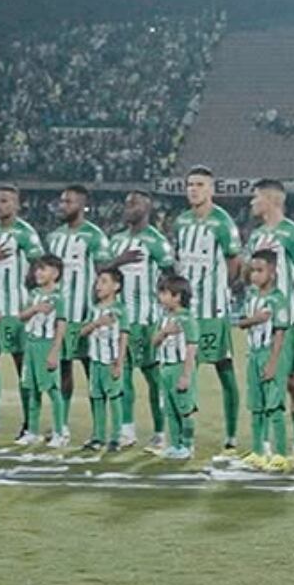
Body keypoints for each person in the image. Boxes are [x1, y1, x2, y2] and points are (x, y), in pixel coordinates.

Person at [173, 167, 243, 457]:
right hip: (187, 312)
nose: (193, 189)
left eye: (200, 184)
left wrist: (219, 290)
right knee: (186, 370)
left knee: (224, 369)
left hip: (212, 311)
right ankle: (185, 438)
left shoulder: (223, 223)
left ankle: (231, 435)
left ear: (211, 189)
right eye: (190, 184)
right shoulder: (182, 222)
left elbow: (235, 263)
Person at [245, 178, 294, 467]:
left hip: (286, 323)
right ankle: (262, 450)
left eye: (255, 197)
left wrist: (288, 308)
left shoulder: (291, 233)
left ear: (271, 200)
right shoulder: (255, 237)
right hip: (259, 327)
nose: (252, 203)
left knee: (291, 382)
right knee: (262, 383)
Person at [106, 190, 174, 453]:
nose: (129, 206)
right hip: (120, 323)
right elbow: (103, 273)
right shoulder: (116, 241)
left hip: (147, 322)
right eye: (126, 202)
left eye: (135, 202)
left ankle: (160, 433)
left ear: (148, 207)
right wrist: (118, 262)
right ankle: (126, 431)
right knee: (122, 378)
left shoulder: (156, 242)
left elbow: (172, 278)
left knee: (154, 379)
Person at [0, 184, 43, 441]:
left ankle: (29, 421)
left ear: (16, 205)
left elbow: (39, 266)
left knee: (22, 366)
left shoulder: (26, 233)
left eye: (4, 201)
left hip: (17, 311)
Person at [43, 185, 110, 436]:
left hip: (85, 316)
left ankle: (99, 429)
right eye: (62, 201)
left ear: (82, 205)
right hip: (61, 317)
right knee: (62, 371)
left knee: (93, 373)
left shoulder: (95, 237)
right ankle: (62, 424)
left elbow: (105, 275)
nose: (63, 206)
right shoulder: (54, 237)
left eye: (69, 202)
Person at [236, 250, 292, 472]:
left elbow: (280, 332)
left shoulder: (278, 299)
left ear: (272, 272)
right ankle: (259, 452)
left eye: (260, 271)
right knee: (256, 407)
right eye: (252, 271)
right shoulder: (251, 296)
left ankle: (280, 454)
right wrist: (255, 319)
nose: (254, 276)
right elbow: (241, 323)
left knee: (274, 406)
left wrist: (273, 362)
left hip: (271, 353)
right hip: (254, 353)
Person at [75, 268, 129, 453]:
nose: (98, 286)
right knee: (97, 398)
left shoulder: (121, 310)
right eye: (98, 282)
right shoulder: (94, 309)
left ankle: (116, 437)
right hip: (95, 361)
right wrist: (96, 323)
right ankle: (98, 436)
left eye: (104, 282)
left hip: (111, 361)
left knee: (114, 399)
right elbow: (82, 332)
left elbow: (123, 336)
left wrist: (120, 362)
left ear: (116, 286)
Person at [19, 255, 68, 446]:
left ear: (55, 273)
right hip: (31, 344)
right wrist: (35, 309)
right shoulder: (34, 294)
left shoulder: (58, 298)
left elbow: (61, 325)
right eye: (37, 269)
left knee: (53, 390)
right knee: (32, 389)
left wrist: (55, 351)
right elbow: (21, 316)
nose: (38, 273)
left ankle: (59, 433)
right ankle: (32, 431)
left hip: (47, 345)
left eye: (43, 269)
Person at [152, 274, 200, 460]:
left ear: (177, 296)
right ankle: (175, 444)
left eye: (164, 293)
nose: (160, 297)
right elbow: (154, 342)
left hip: (180, 367)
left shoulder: (187, 319)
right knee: (169, 409)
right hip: (165, 368)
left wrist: (186, 375)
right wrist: (164, 333)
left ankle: (188, 445)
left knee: (184, 409)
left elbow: (191, 347)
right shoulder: (164, 319)